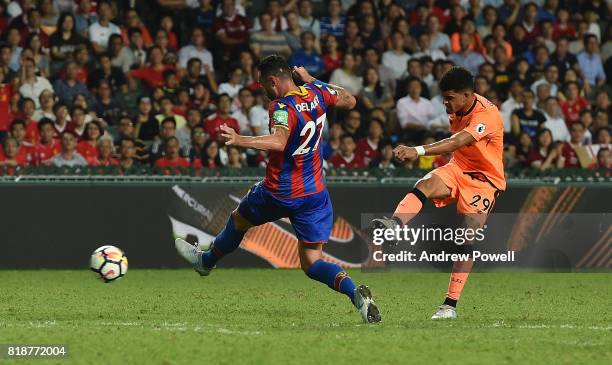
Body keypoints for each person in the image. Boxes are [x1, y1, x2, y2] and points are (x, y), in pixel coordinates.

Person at [174, 55, 381, 323]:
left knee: (239, 218)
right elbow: (350, 100)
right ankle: (356, 294)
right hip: (315, 194)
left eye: (263, 85)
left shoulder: (281, 106)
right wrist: (313, 79)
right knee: (312, 261)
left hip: (281, 191)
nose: (263, 90)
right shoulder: (316, 91)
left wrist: (240, 139)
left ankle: (207, 262)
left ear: (273, 80)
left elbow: (279, 141)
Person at [372, 67, 505, 320]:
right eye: (444, 97)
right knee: (426, 184)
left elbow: (456, 142)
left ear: (467, 95)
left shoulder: (487, 115)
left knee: (467, 240)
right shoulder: (458, 108)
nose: (445, 103)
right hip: (458, 168)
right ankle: (394, 224)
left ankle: (449, 305)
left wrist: (417, 151)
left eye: (450, 98)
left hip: (485, 180)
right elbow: (455, 147)